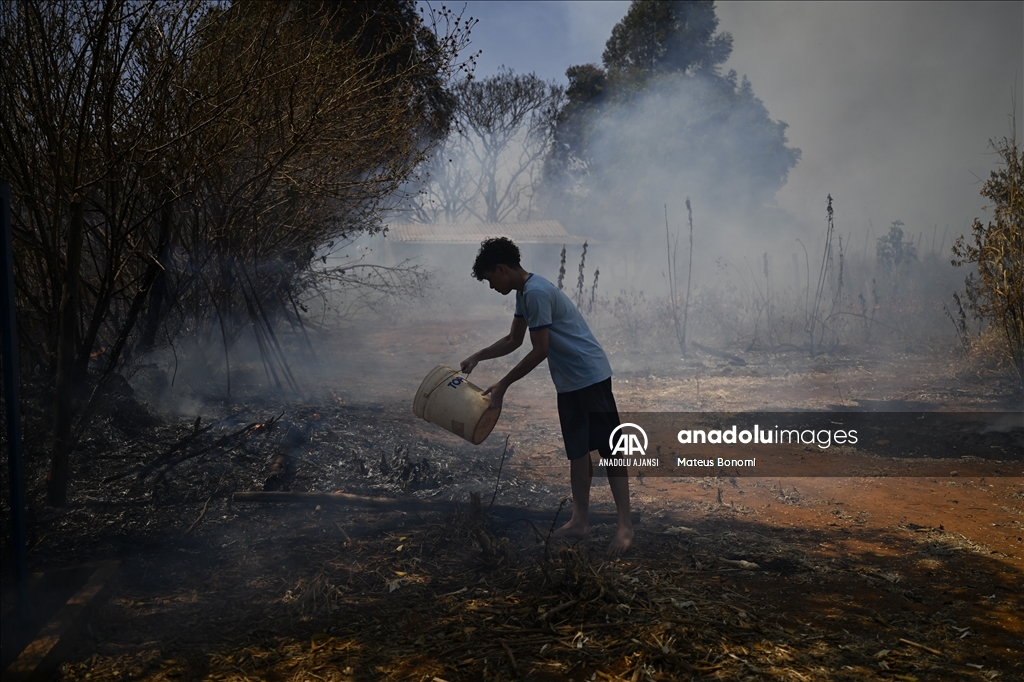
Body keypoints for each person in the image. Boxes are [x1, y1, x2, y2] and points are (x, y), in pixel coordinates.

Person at [460, 237, 633, 555]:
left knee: (610, 450)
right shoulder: (524, 293)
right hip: (568, 382)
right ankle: (580, 521)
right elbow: (514, 339)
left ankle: (625, 526)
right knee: (577, 452)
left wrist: (504, 384)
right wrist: (478, 356)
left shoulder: (537, 293)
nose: (490, 286)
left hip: (589, 375)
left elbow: (540, 350)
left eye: (489, 279)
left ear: (501, 269)